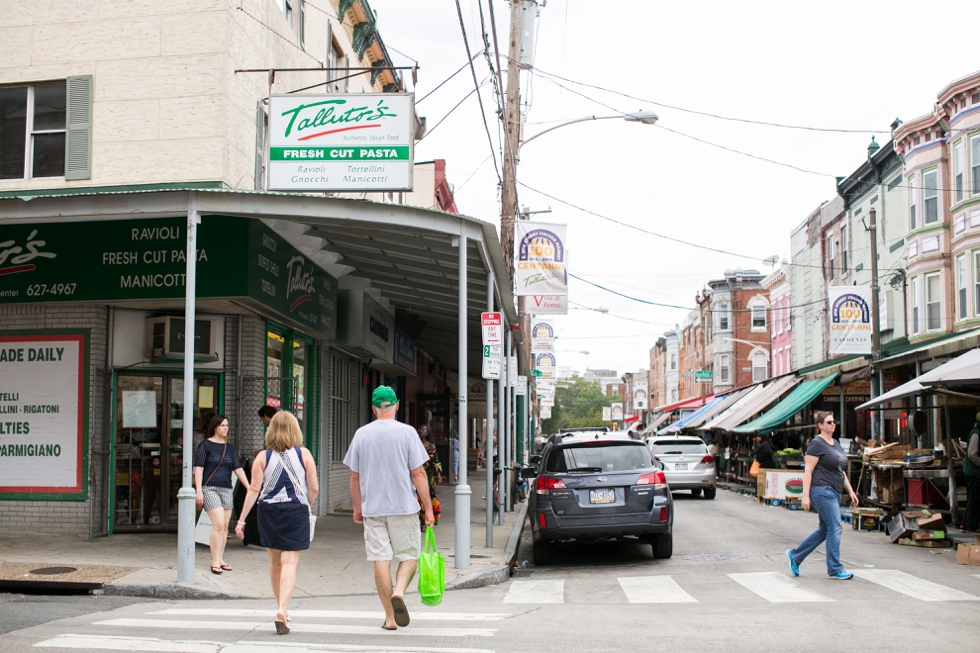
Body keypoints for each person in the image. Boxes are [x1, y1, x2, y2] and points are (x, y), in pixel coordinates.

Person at [344, 386, 434, 631]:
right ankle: (399, 592)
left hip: (373, 508)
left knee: (380, 560)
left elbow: (354, 476)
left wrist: (357, 506)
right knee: (409, 557)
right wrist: (427, 508)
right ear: (395, 405)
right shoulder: (407, 433)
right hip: (404, 506)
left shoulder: (362, 434)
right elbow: (418, 473)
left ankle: (390, 618)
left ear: (374, 408)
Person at [235, 410, 318, 635]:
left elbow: (253, 489)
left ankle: (280, 607)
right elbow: (314, 488)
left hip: (268, 511)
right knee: (290, 562)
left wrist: (241, 520)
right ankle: (283, 609)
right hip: (295, 510)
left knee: (274, 563)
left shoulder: (262, 456)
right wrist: (306, 505)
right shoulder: (305, 455)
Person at [787, 411, 859, 580]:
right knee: (836, 527)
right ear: (820, 426)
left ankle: (796, 556)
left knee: (825, 530)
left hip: (835, 490)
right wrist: (805, 496)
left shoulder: (835, 443)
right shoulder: (816, 445)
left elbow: (840, 470)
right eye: (828, 422)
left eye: (834, 421)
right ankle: (835, 568)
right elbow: (808, 471)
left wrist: (850, 490)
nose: (832, 424)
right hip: (822, 490)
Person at [194, 414, 249, 575]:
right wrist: (199, 491)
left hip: (226, 489)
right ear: (215, 427)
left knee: (225, 527)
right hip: (210, 489)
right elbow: (199, 468)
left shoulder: (229, 447)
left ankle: (220, 558)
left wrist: (250, 487)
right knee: (218, 525)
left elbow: (238, 468)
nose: (226, 428)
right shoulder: (205, 445)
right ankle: (214, 561)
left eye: (227, 425)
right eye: (223, 425)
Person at [417, 425, 442, 528]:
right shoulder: (414, 445)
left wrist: (438, 474)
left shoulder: (431, 446)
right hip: (416, 475)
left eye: (423, 430)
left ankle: (425, 520)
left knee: (429, 496)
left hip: (429, 475)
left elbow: (436, 461)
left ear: (427, 433)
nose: (421, 431)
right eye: (420, 429)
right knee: (417, 497)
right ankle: (418, 520)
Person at [962, 412, 980, 533]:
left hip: (974, 471)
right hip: (974, 472)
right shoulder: (976, 434)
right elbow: (972, 453)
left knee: (972, 499)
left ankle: (965, 524)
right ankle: (971, 526)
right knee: (975, 499)